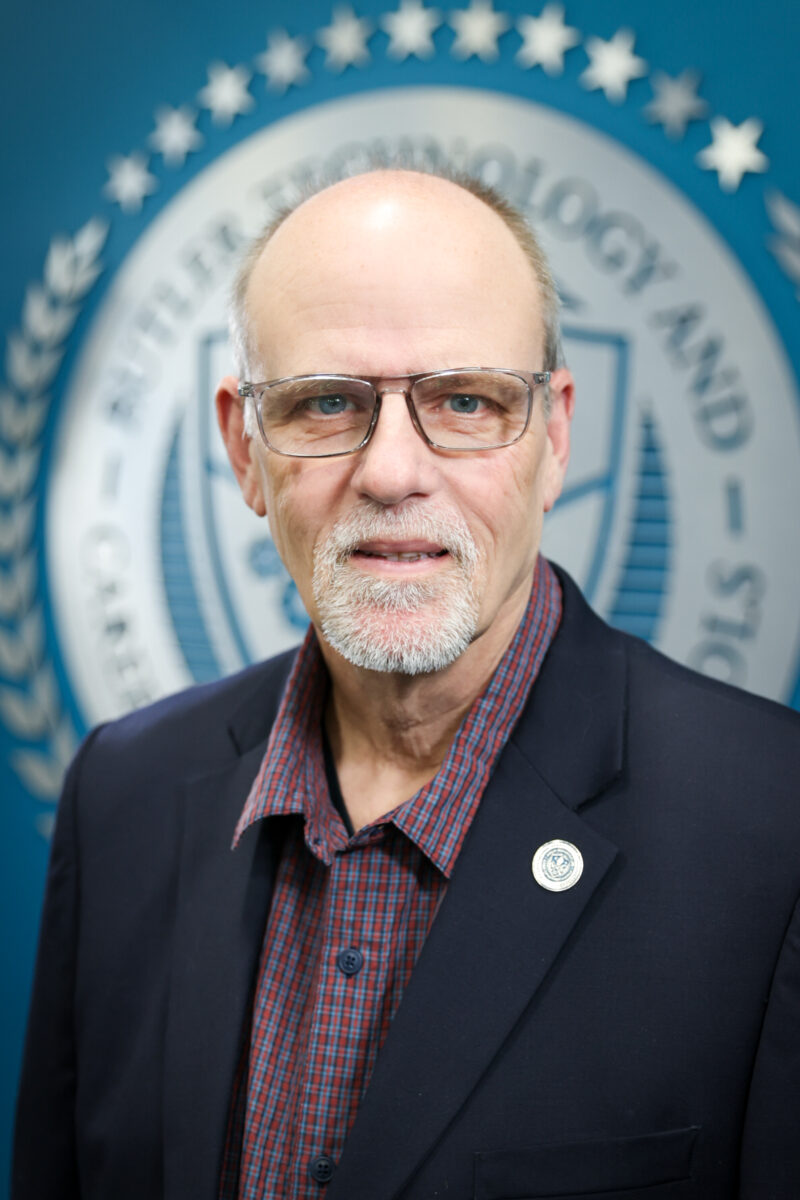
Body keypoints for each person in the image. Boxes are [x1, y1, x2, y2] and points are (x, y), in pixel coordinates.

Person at [12, 168, 800, 1200]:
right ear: (244, 450)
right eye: (326, 404)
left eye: (464, 401)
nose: (391, 471)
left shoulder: (773, 829)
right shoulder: (121, 794)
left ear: (553, 437)